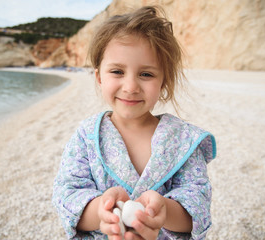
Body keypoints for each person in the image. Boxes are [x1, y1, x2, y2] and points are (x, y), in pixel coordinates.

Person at [52, 6, 216, 240]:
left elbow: (197, 205)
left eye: (146, 74)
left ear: (164, 81)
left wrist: (163, 211)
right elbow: (66, 195)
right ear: (99, 77)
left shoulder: (184, 139)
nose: (130, 87)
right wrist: (101, 212)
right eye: (117, 71)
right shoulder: (87, 135)